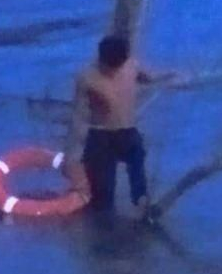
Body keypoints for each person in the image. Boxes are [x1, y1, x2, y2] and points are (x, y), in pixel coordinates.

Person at [65, 34, 172, 219]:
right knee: (103, 198)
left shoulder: (131, 65)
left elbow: (149, 77)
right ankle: (101, 234)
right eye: (109, 69)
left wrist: (170, 75)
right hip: (100, 137)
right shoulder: (87, 78)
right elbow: (79, 116)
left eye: (118, 67)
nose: (114, 72)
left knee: (138, 169)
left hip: (128, 132)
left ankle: (141, 207)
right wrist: (72, 153)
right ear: (100, 60)